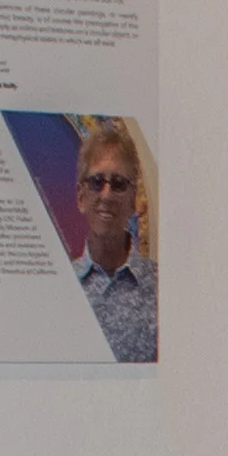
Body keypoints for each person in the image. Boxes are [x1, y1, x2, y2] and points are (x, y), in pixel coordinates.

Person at [69, 118, 156, 362]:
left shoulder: (163, 289)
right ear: (80, 197)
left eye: (118, 184)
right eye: (97, 182)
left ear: (133, 201)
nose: (106, 194)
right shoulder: (63, 288)